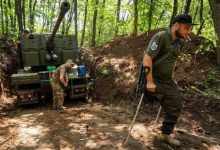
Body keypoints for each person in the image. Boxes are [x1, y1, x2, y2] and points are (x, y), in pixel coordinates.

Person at [143, 14, 196, 146]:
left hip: (167, 80)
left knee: (176, 104)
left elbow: (172, 60)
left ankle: (165, 134)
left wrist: (171, 77)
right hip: (153, 77)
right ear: (176, 25)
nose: (188, 31)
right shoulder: (161, 37)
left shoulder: (181, 42)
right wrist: (149, 82)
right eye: (186, 28)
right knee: (167, 101)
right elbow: (147, 58)